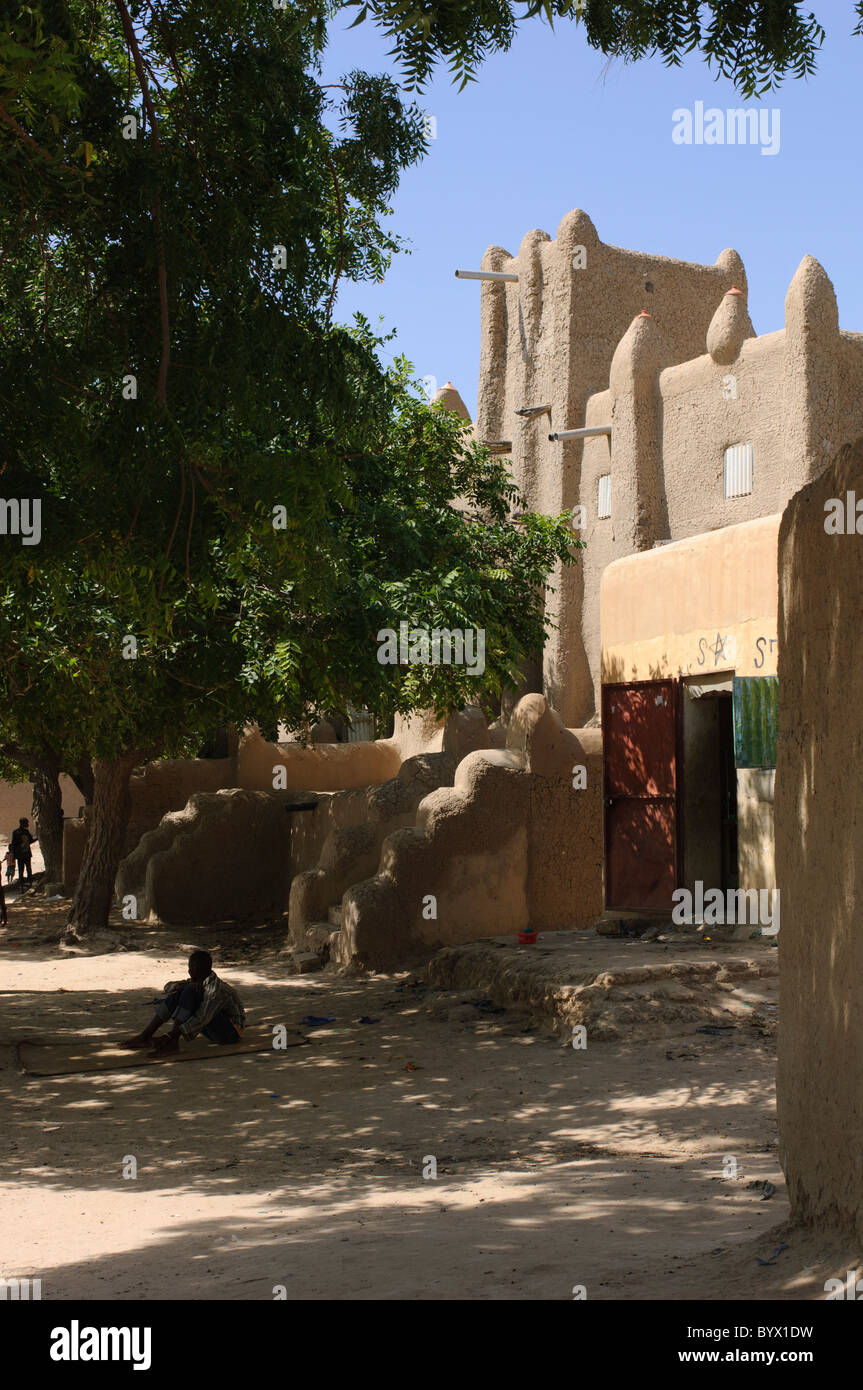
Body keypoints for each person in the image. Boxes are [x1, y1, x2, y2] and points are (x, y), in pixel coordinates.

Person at [120, 950, 246, 1055]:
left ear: (196, 968)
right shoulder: (197, 981)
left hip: (230, 1034)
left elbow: (202, 1018)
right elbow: (167, 987)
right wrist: (181, 987)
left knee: (190, 992)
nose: (189, 971)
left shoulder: (216, 989)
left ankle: (173, 1042)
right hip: (214, 1024)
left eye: (190, 967)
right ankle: (145, 1036)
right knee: (184, 992)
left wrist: (169, 1035)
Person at [10, 818, 36, 891]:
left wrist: (14, 855)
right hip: (26, 854)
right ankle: (29, 885)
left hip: (20, 855)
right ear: (23, 823)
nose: (28, 824)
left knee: (21, 871)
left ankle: (22, 887)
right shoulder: (25, 832)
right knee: (28, 870)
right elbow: (30, 841)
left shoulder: (16, 832)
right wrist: (37, 838)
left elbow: (13, 844)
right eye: (27, 823)